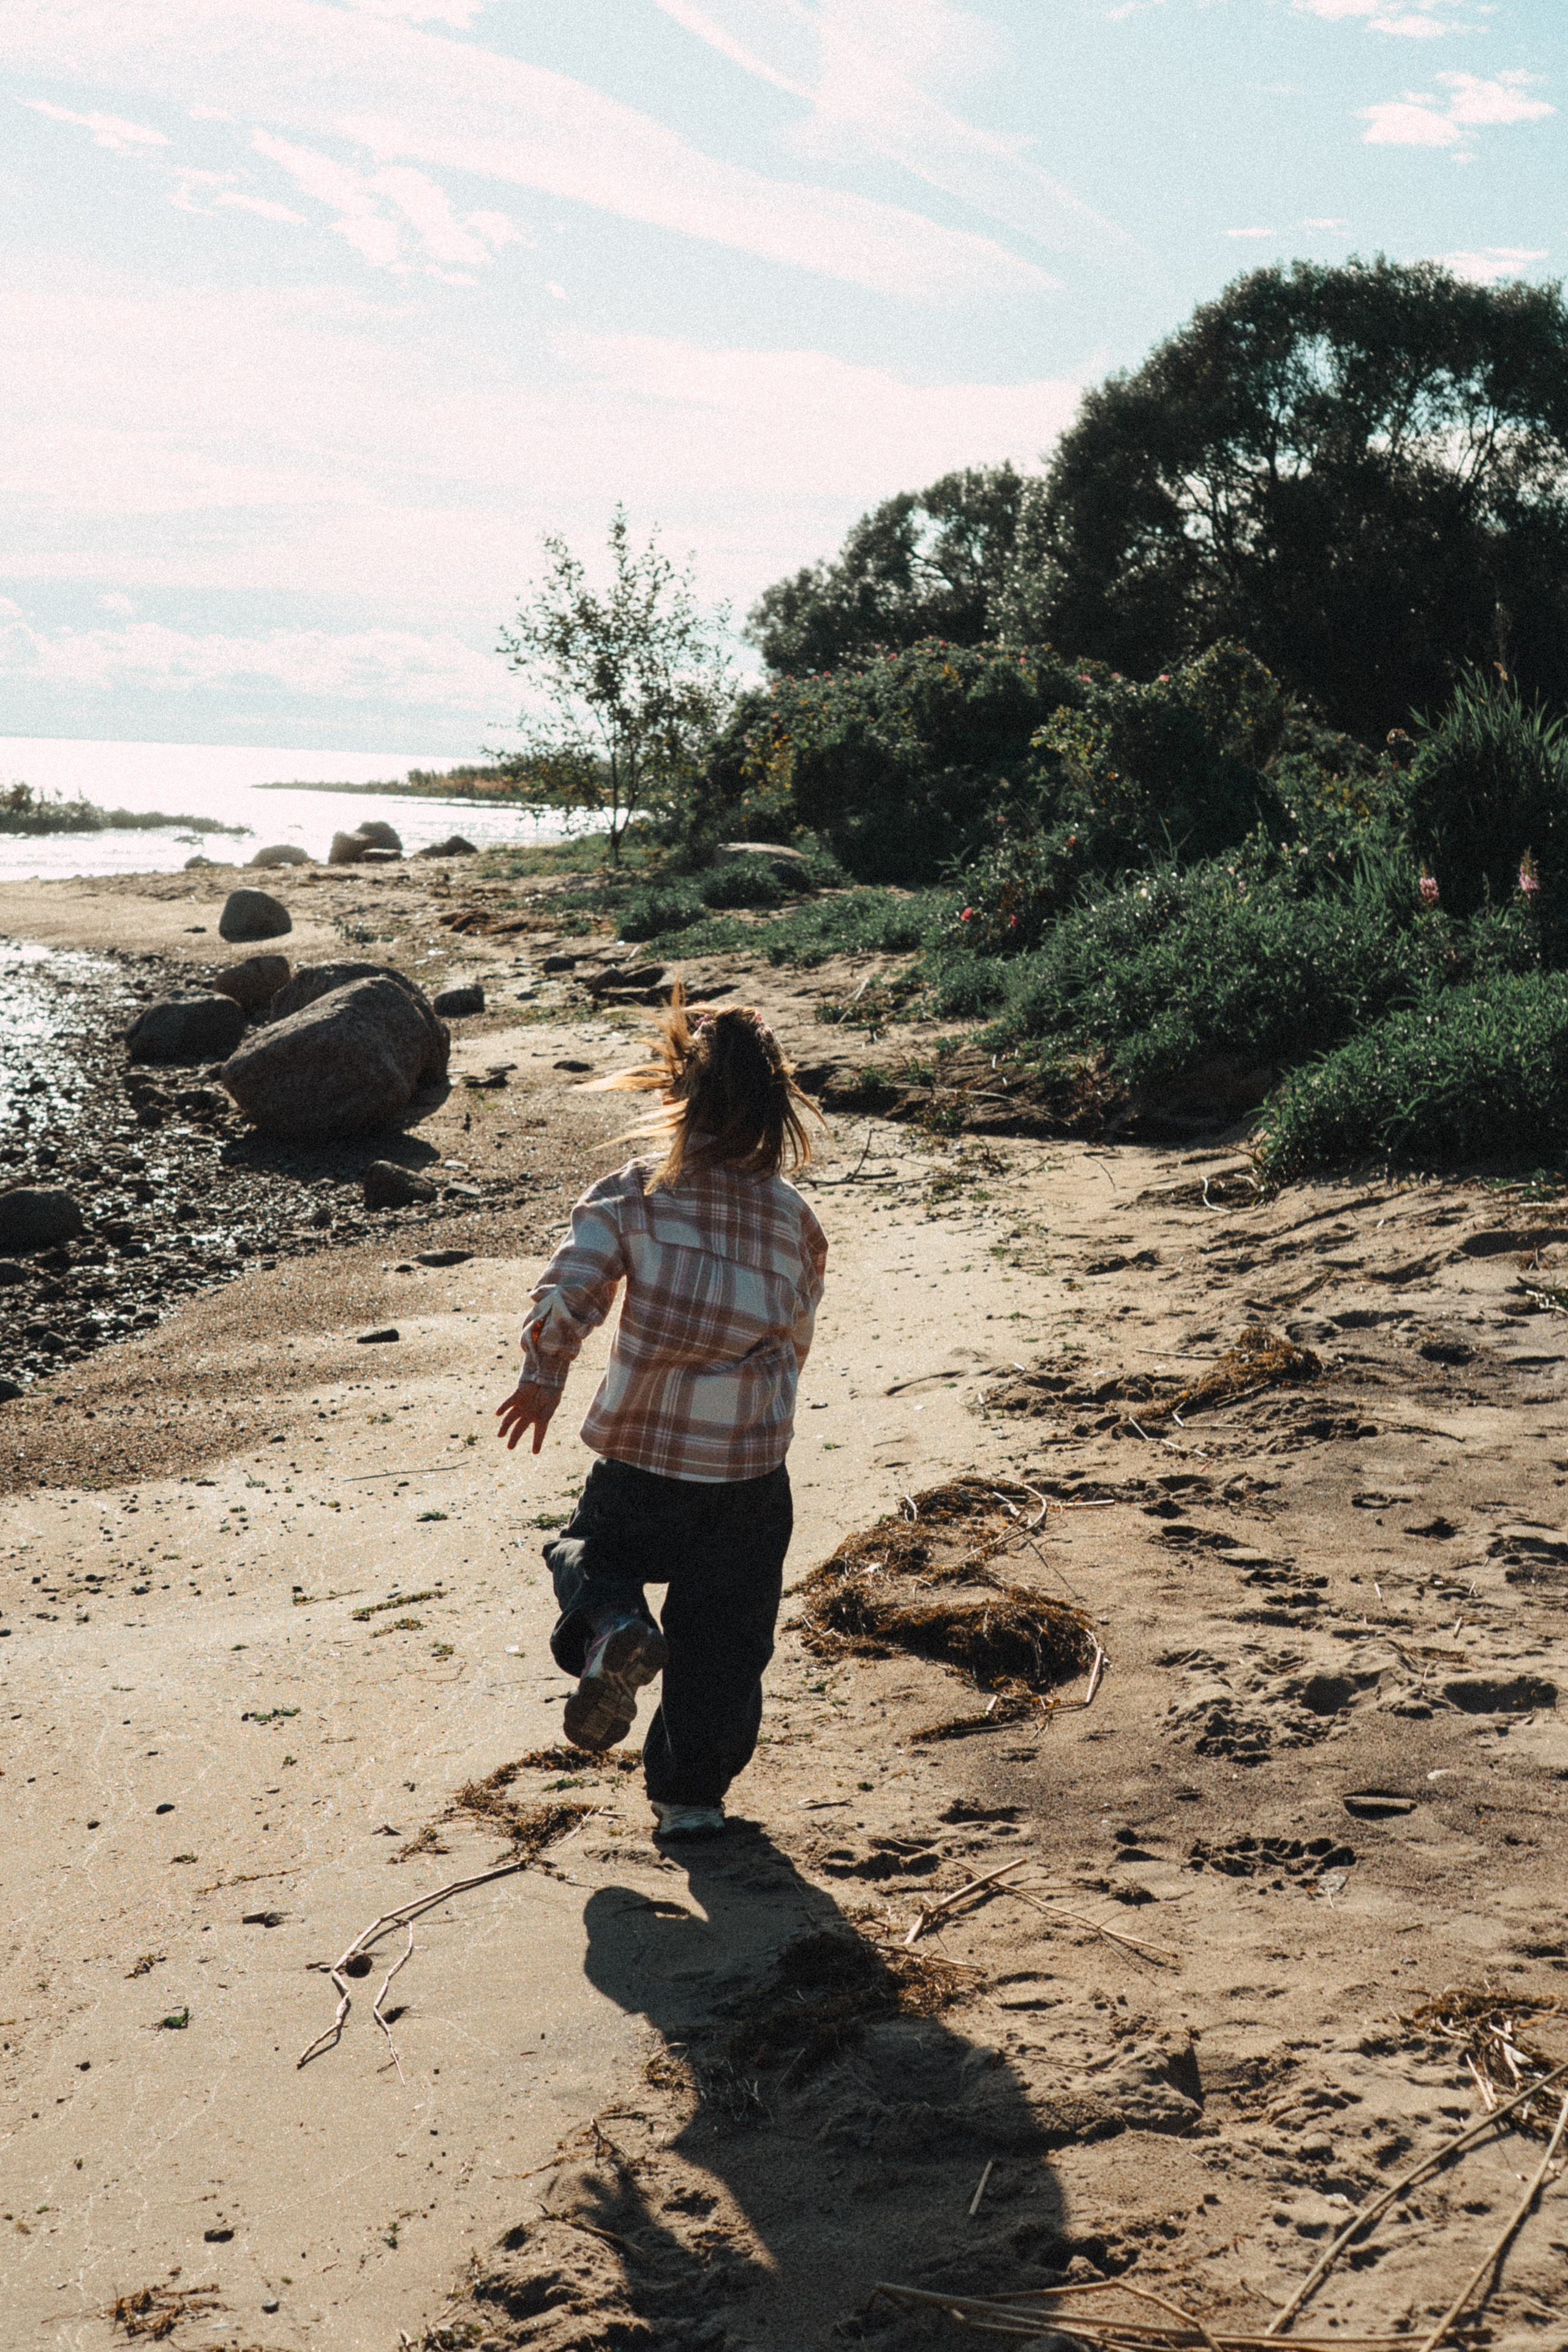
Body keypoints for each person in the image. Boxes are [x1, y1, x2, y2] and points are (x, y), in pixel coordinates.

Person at [496, 992, 827, 1843]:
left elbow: (573, 1289)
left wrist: (544, 1376)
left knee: (586, 1554)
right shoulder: (795, 1220)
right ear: (774, 1106)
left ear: (675, 1092)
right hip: (749, 1480)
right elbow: (795, 1336)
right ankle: (691, 1801)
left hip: (643, 1460)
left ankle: (617, 1626)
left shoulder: (635, 1193)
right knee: (724, 1645)